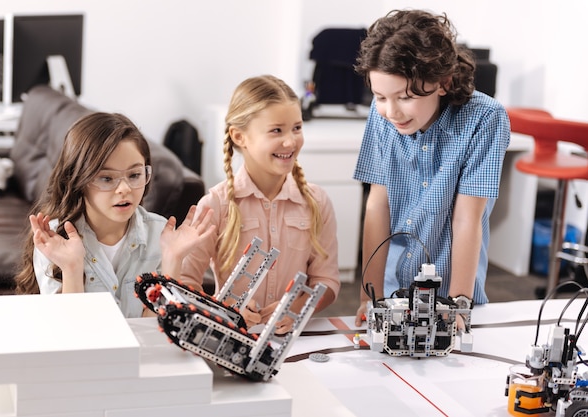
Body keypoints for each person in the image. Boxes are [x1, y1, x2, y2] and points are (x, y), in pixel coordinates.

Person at [352, 9, 510, 326]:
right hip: (394, 286)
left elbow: (468, 218)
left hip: (454, 286)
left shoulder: (485, 118)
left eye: (406, 97)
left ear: (443, 82)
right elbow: (377, 205)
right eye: (380, 96)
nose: (391, 111)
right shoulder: (381, 114)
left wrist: (459, 303)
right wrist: (369, 296)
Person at [177, 75, 341, 334]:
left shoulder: (317, 202)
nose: (290, 141)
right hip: (229, 336)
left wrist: (296, 309)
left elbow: (327, 281)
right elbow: (185, 283)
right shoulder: (215, 205)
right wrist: (224, 310)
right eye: (277, 130)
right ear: (239, 136)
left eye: (297, 128)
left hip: (293, 340)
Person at [14, 112, 214, 318]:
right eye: (107, 178)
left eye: (135, 175)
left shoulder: (161, 235)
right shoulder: (54, 239)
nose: (124, 189)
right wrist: (72, 267)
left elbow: (154, 331)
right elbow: (70, 333)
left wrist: (173, 260)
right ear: (77, 180)